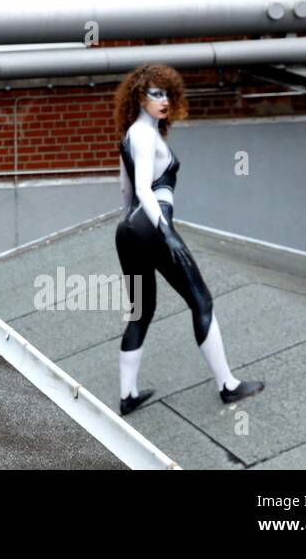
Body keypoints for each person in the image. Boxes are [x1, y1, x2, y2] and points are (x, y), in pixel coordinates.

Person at [112, 63, 263, 415]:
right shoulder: (146, 135)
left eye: (167, 94)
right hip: (153, 226)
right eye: (156, 93)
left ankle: (127, 395)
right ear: (139, 96)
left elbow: (125, 188)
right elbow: (145, 190)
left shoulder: (129, 136)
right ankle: (227, 384)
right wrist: (165, 231)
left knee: (140, 312)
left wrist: (129, 227)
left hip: (128, 231)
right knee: (201, 301)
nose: (164, 100)